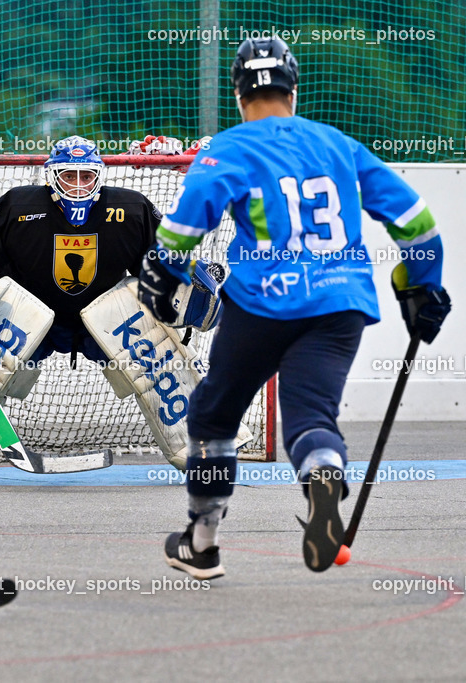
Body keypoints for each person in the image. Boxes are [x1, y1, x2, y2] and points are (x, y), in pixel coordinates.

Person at [139, 39, 451, 580]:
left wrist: (163, 272)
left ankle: (203, 540)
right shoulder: (339, 144)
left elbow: (186, 225)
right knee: (310, 414)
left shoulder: (230, 148)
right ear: (293, 90)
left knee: (214, 417)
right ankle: (323, 475)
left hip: (261, 305)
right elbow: (418, 223)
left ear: (239, 94)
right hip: (339, 303)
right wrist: (422, 288)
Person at [0, 135, 225, 484]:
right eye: (69, 175)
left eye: (86, 176)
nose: (78, 185)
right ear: (52, 176)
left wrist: (196, 285)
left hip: (104, 319)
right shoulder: (17, 206)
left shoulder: (131, 209)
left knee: (154, 350)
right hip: (30, 317)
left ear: (99, 176)